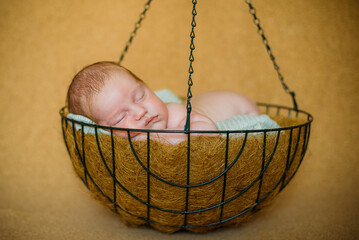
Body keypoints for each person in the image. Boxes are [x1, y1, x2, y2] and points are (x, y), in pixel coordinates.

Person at [67, 61, 260, 144]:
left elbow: (206, 131)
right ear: (102, 132)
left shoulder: (174, 113)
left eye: (140, 97)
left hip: (240, 107)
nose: (140, 110)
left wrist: (152, 138)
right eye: (121, 116)